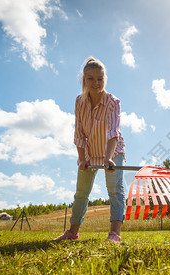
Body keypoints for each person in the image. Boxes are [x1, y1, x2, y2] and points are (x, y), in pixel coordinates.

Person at [54, 57, 126, 243]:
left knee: (115, 191)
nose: (96, 83)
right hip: (90, 151)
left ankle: (114, 234)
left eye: (100, 78)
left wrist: (108, 159)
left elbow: (113, 132)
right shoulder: (80, 102)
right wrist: (81, 159)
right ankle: (72, 232)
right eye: (90, 78)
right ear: (83, 79)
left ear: (105, 79)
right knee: (81, 192)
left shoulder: (113, 102)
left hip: (113, 150)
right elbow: (79, 132)